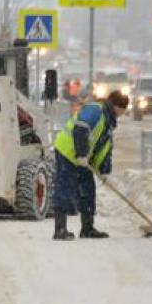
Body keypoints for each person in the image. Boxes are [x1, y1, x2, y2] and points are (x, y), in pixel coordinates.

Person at [51, 90, 129, 240]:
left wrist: (104, 171)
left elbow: (103, 148)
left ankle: (87, 228)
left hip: (82, 158)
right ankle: (60, 229)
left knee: (87, 189)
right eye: (122, 110)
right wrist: (81, 154)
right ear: (116, 106)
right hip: (68, 152)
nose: (122, 114)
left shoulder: (108, 121)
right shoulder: (95, 110)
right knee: (65, 188)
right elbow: (80, 129)